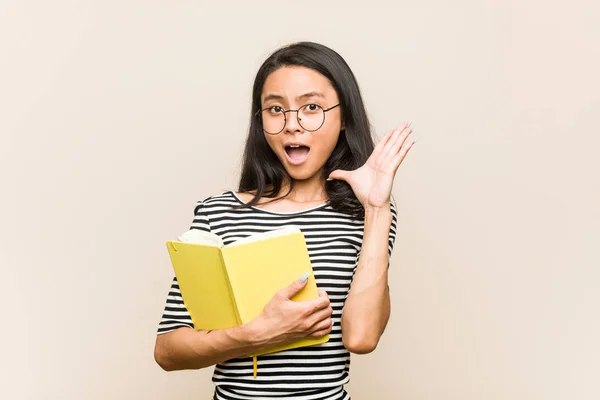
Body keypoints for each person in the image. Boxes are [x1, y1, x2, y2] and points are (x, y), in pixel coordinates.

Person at [153, 41, 416, 400]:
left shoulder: (364, 215)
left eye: (311, 107)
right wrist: (257, 334)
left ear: (344, 120)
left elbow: (361, 337)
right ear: (261, 122)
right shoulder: (218, 213)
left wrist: (377, 209)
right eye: (275, 109)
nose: (292, 124)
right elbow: (168, 351)